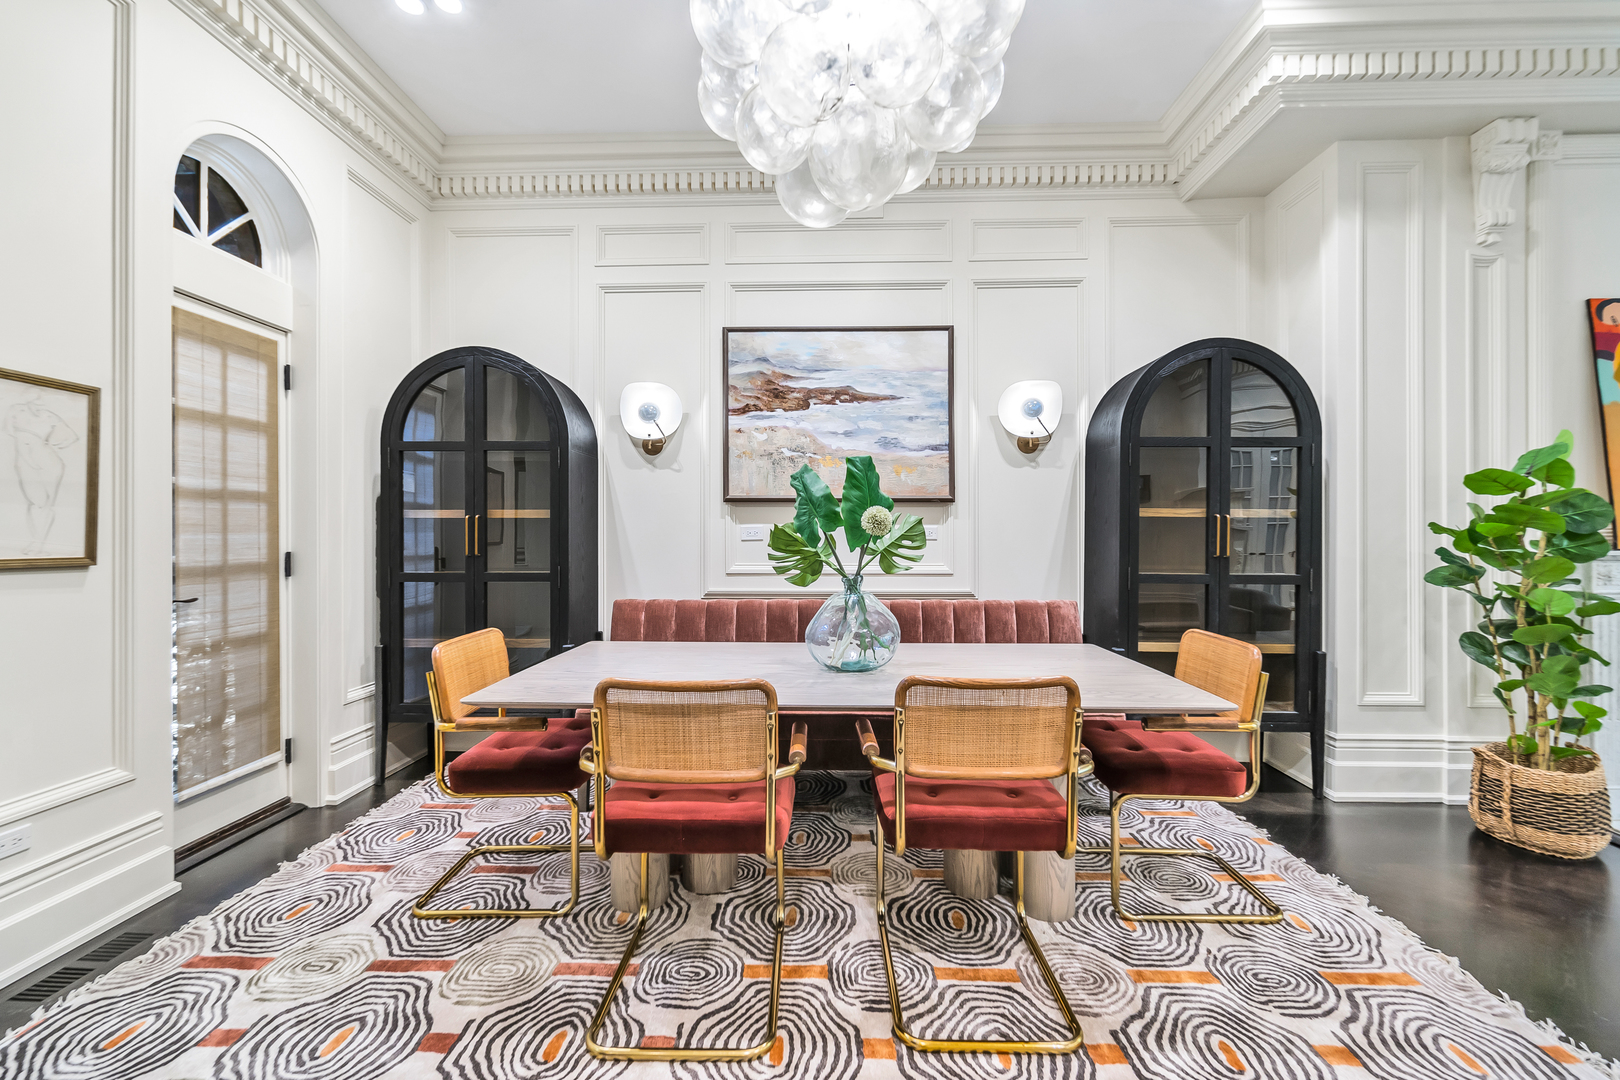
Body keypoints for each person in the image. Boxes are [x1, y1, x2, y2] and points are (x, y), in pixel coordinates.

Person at [4, 389, 78, 556]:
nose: (40, 406)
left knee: (46, 504)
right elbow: (10, 432)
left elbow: (72, 436)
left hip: (49, 462)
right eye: (36, 402)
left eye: (41, 403)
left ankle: (39, 544)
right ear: (28, 400)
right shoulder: (15, 410)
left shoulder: (49, 416)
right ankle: (37, 541)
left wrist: (53, 445)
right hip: (24, 462)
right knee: (34, 502)